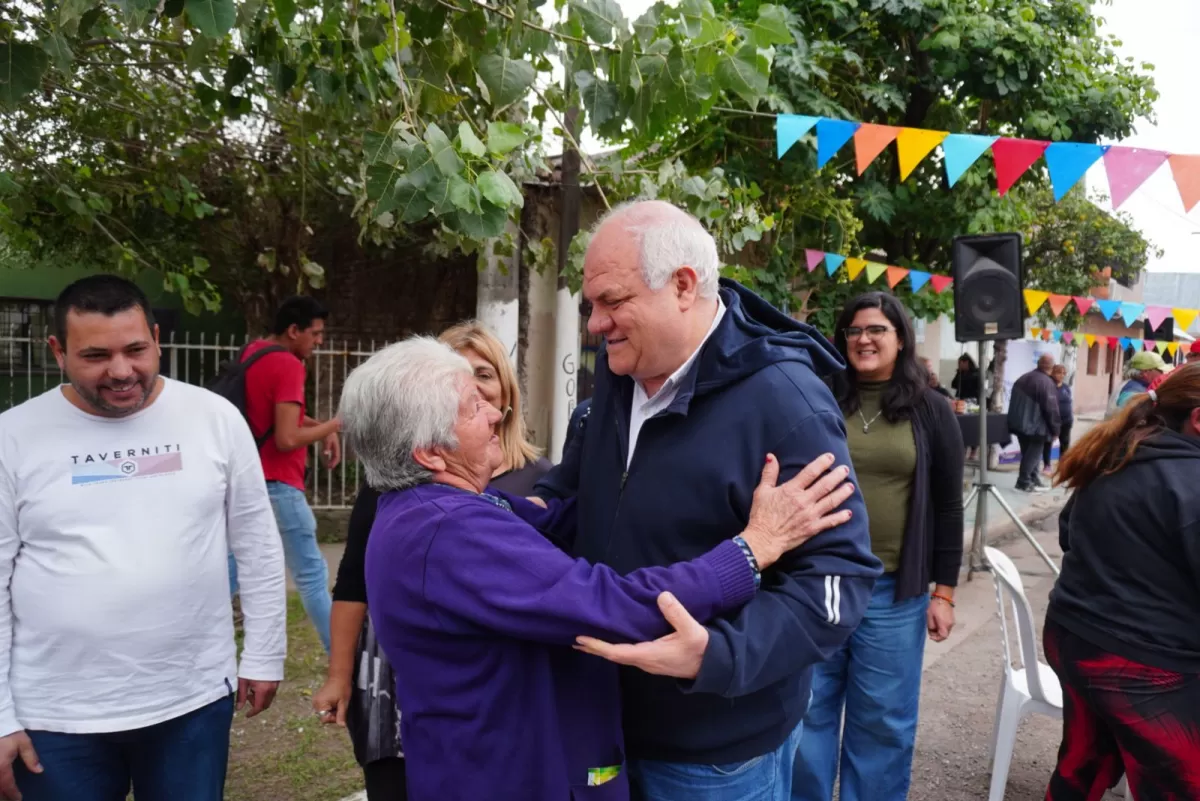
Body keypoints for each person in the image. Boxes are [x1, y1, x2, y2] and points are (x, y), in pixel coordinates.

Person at [337, 336, 859, 801]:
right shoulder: (446, 532)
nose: (496, 413)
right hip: (508, 777)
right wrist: (750, 550)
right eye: (473, 406)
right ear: (430, 453)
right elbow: (605, 604)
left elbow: (544, 519)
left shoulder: (422, 507)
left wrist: (619, 466)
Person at [533, 200, 882, 801]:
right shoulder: (619, 372)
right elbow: (579, 494)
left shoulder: (788, 404)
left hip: (715, 754)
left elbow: (838, 581)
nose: (594, 323)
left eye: (612, 302)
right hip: (600, 719)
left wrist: (718, 655)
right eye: (591, 305)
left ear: (684, 287)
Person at [0, 276, 287, 801]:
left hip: (190, 702)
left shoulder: (214, 419)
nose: (121, 371)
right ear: (57, 351)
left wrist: (265, 655)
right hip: (55, 716)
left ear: (156, 338)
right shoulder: (13, 437)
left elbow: (258, 543)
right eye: (95, 355)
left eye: (135, 349)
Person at [312, 322, 552, 800]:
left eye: (482, 374)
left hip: (493, 686)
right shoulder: (394, 479)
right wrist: (339, 675)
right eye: (457, 375)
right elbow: (353, 580)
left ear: (505, 388)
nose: (473, 386)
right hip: (397, 675)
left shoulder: (541, 479)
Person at [793, 293, 964, 801]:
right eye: (853, 331)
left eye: (876, 330)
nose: (863, 340)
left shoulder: (931, 409)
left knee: (883, 723)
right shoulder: (817, 396)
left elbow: (949, 507)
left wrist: (945, 593)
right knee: (807, 711)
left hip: (893, 591)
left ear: (900, 338)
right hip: (817, 584)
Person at [1044, 363, 1200, 801]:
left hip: (1073, 638)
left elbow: (1067, 533)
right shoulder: (1189, 479)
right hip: (1138, 664)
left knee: (1082, 765)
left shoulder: (1117, 455)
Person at [230, 296, 341, 652]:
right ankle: (341, 657)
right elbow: (287, 437)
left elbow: (275, 418)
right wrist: (337, 423)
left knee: (229, 573)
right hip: (280, 487)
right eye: (316, 334)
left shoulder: (254, 353)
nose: (319, 341)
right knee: (311, 576)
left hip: (247, 484)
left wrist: (325, 428)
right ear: (294, 331)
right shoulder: (290, 365)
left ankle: (193, 646)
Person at [1006, 353, 1061, 493]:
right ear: (1052, 367)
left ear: (1038, 364)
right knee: (1033, 454)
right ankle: (1023, 482)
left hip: (1019, 424)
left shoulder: (1023, 378)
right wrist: (1055, 429)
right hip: (1036, 426)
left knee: (1028, 454)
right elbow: (1051, 409)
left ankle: (1033, 479)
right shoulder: (1046, 382)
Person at [1106, 350, 1167, 417]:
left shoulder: (1132, 385)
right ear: (1145, 372)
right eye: (1160, 370)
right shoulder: (1134, 390)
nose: (1163, 374)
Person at [1042, 364, 1073, 473]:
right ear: (1053, 373)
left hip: (1066, 421)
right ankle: (1047, 465)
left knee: (1064, 443)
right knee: (1048, 442)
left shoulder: (1066, 387)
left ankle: (1062, 465)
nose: (1061, 375)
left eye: (1063, 373)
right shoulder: (1049, 386)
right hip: (1052, 421)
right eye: (1059, 373)